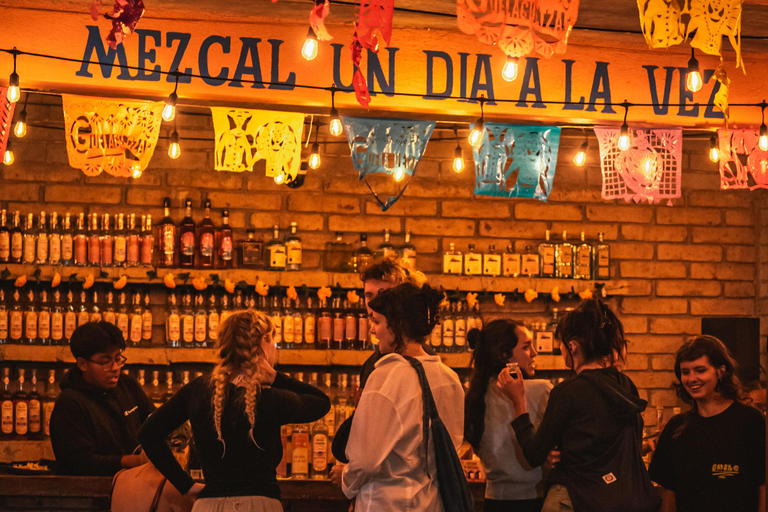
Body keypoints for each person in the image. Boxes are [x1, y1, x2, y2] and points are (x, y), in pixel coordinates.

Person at [138, 310, 331, 511]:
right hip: (260, 505)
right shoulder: (270, 398)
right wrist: (275, 377)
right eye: (273, 340)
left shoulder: (198, 391)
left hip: (209, 505)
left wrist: (184, 484)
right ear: (264, 341)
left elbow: (148, 433)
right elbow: (321, 402)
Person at [499, 299, 659, 512]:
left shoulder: (568, 391)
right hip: (623, 499)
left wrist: (518, 400)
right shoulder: (626, 386)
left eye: (561, 344)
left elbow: (534, 454)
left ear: (572, 346)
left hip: (576, 499)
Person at [330, 283, 465, 511]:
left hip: (386, 504)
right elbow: (453, 447)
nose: (373, 331)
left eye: (377, 322)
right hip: (431, 503)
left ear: (397, 326)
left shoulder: (386, 375)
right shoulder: (449, 378)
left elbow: (366, 461)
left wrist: (346, 478)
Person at [649, 335, 766, 512]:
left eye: (700, 370)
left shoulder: (751, 420)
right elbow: (669, 493)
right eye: (685, 372)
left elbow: (763, 485)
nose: (691, 378)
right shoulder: (676, 427)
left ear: (721, 371)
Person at [331, 257, 428, 463]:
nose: (374, 304)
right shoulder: (373, 362)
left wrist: (350, 474)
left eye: (383, 295)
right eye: (369, 295)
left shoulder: (418, 361)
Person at [464, 320, 553, 512]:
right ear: (504, 355)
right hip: (535, 499)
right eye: (526, 347)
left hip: (493, 500)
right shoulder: (542, 390)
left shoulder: (475, 396)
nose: (535, 353)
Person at [50, 321, 155, 476]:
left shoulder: (126, 385)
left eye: (118, 359)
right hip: (90, 492)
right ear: (82, 364)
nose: (115, 368)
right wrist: (131, 461)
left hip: (135, 484)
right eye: (105, 361)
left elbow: (153, 420)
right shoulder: (69, 403)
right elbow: (78, 462)